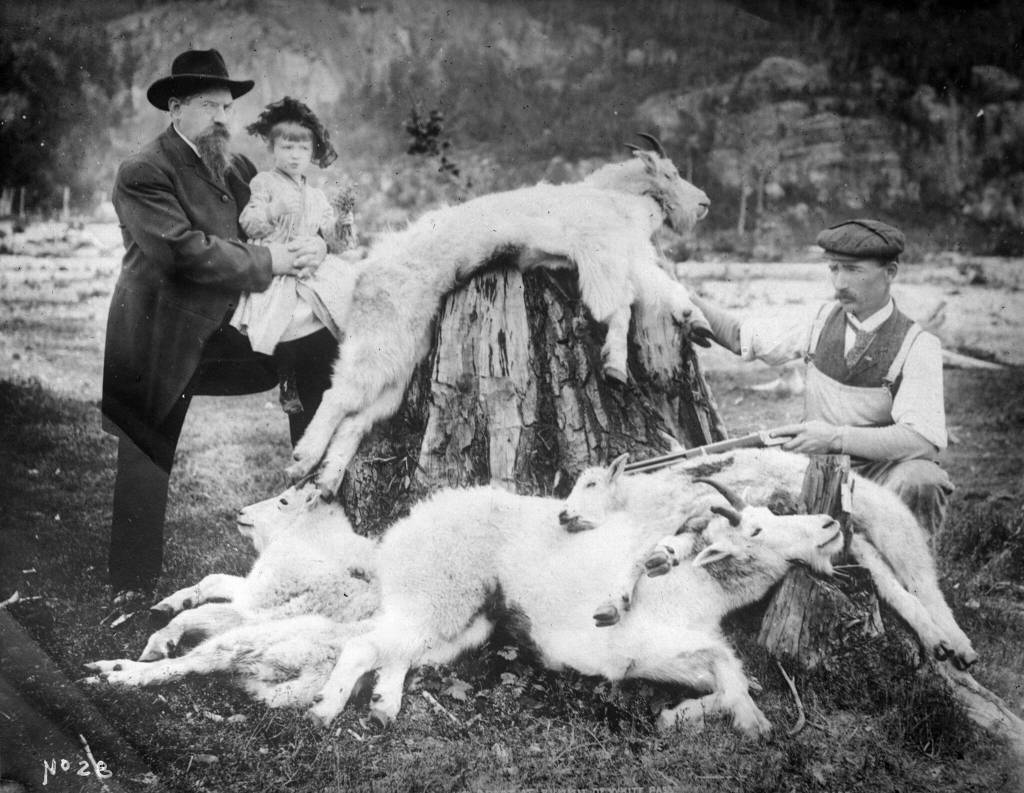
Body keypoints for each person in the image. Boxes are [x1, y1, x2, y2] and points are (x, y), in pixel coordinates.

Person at [102, 50, 338, 607]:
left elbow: (282, 221)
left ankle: (312, 536)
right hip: (158, 334)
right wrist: (274, 261)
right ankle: (131, 584)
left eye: (227, 106)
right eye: (210, 105)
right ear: (177, 106)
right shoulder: (144, 170)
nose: (222, 116)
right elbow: (184, 252)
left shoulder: (235, 168)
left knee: (314, 350)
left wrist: (316, 243)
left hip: (223, 329)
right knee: (146, 448)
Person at [692, 218, 953, 535]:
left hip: (884, 476)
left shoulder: (918, 345)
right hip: (815, 471)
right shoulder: (817, 320)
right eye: (834, 269)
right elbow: (738, 336)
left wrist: (833, 437)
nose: (840, 283)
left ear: (890, 273)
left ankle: (910, 580)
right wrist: (675, 294)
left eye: (853, 270)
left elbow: (923, 441)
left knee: (923, 479)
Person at [230, 96, 355, 415]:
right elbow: (248, 223)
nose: (295, 155)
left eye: (302, 148)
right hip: (277, 269)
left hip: (310, 268)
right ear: (272, 149)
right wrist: (273, 210)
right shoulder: (264, 183)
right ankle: (289, 378)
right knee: (288, 315)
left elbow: (337, 242)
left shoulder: (315, 195)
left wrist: (341, 220)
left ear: (312, 152)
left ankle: (337, 379)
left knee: (344, 306)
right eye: (287, 147)